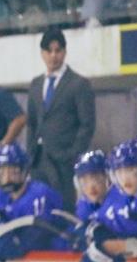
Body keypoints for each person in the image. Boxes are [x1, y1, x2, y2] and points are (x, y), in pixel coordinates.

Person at [0, 142, 74, 262]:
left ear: (25, 172)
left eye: (13, 172)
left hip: (57, 259)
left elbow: (35, 238)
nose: (7, 178)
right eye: (2, 172)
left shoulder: (40, 193)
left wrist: (0, 248)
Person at [26, 28, 95, 211]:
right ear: (42, 54)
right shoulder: (35, 84)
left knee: (64, 207)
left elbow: (87, 125)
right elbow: (32, 123)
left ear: (64, 52)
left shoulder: (78, 84)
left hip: (64, 160)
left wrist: (73, 155)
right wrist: (30, 153)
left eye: (58, 50)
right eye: (49, 51)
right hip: (38, 159)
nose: (53, 55)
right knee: (39, 207)